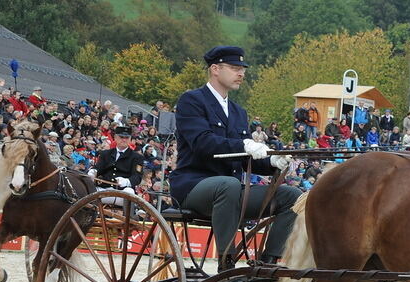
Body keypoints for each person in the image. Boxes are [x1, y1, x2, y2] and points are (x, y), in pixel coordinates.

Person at [169, 46, 297, 270]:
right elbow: (202, 143)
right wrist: (244, 144)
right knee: (228, 185)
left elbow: (245, 158)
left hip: (231, 192)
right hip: (193, 186)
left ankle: (267, 263)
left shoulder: (239, 112)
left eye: (243, 69)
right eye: (235, 68)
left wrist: (273, 160)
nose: (241, 73)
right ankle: (226, 260)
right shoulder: (192, 100)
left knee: (292, 196)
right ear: (215, 69)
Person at [92, 126, 143, 201]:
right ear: (115, 137)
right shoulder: (105, 154)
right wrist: (93, 171)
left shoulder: (136, 157)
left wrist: (127, 181)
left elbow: (137, 177)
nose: (124, 140)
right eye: (121, 137)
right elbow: (98, 168)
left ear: (130, 139)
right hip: (103, 188)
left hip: (123, 191)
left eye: (127, 138)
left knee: (129, 193)